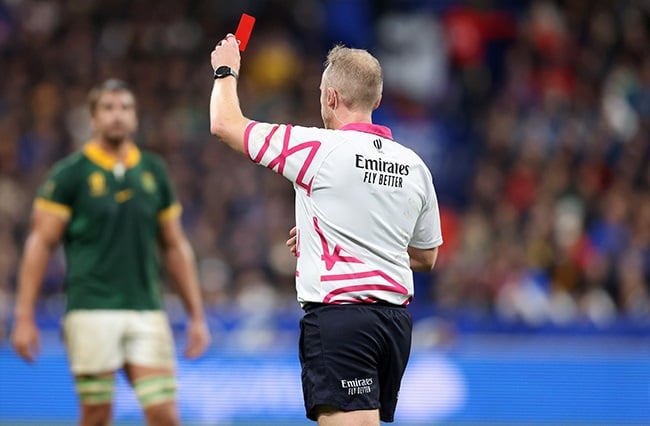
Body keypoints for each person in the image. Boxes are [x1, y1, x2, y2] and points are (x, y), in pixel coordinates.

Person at [209, 34, 443, 425]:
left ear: (331, 98)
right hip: (395, 327)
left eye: (321, 93)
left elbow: (224, 124)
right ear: (377, 101)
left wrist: (225, 69)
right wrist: (343, 237)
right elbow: (426, 256)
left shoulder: (318, 149)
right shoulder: (414, 165)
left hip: (342, 320)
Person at [11, 79, 211, 426]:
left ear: (134, 117)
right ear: (92, 118)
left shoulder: (153, 171)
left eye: (124, 108)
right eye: (108, 108)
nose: (117, 116)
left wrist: (197, 315)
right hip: (90, 310)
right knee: (97, 416)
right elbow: (39, 244)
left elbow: (175, 245)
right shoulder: (69, 175)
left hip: (146, 309)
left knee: (165, 414)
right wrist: (24, 317)